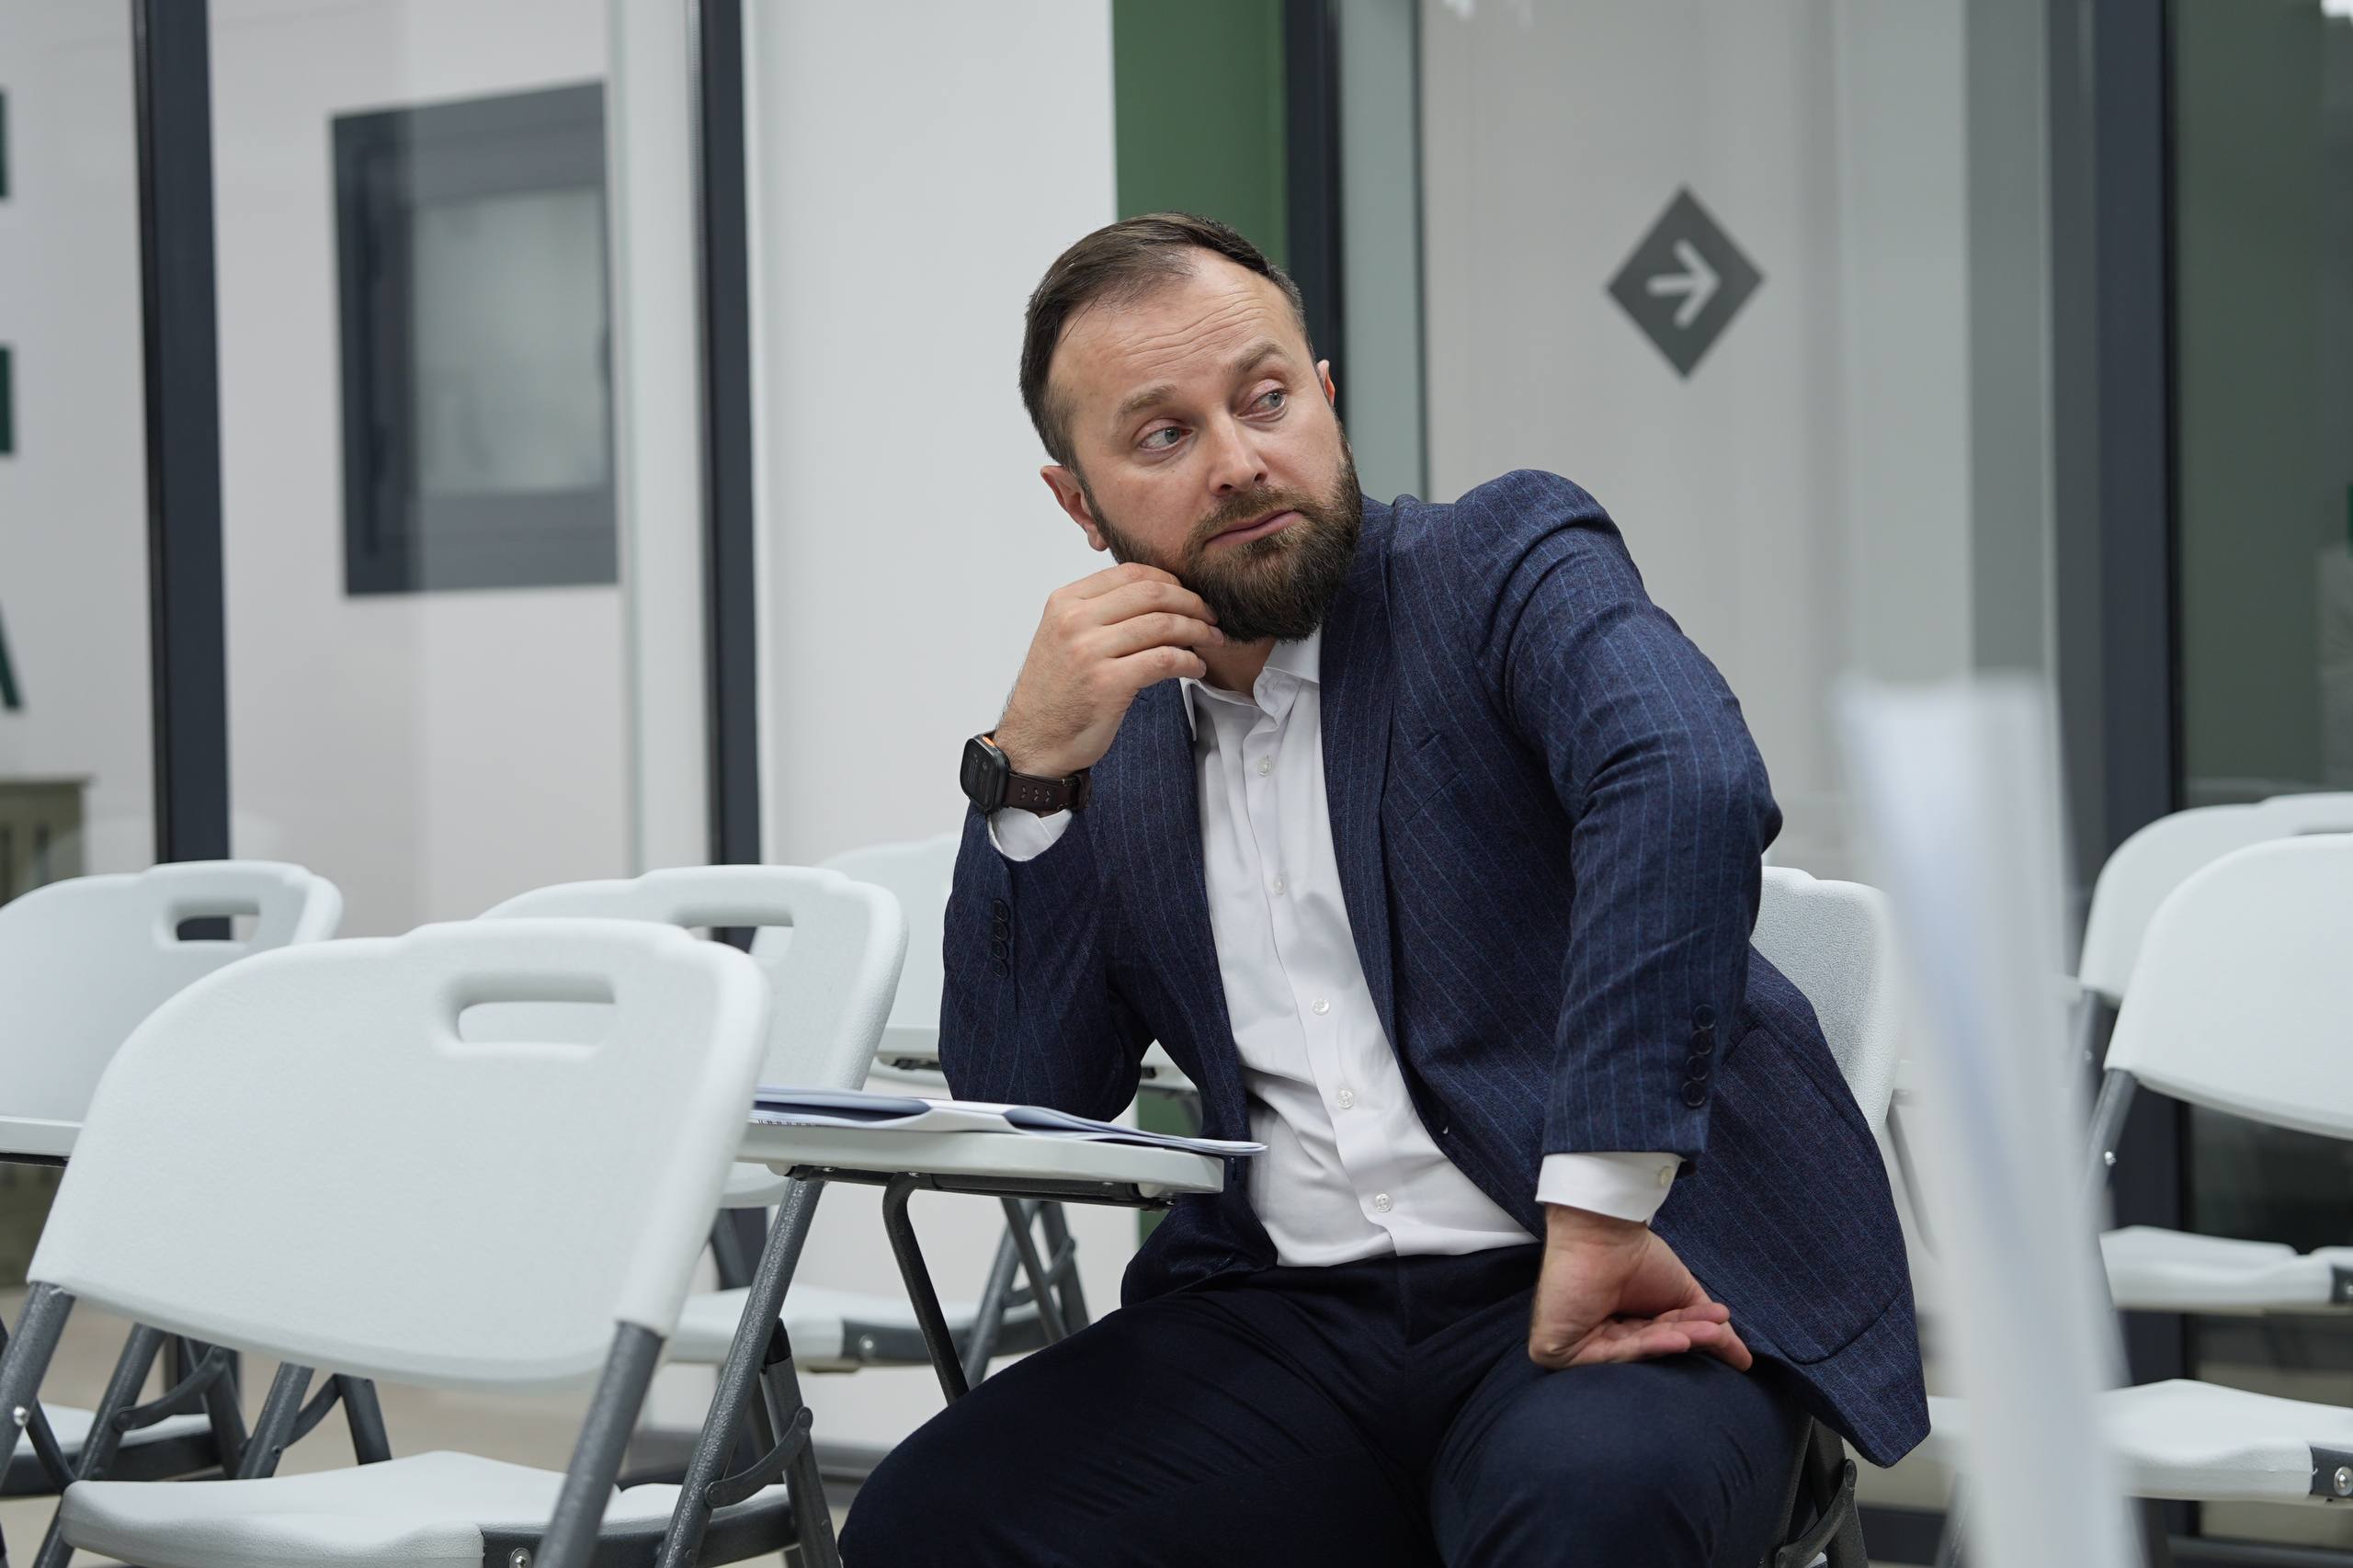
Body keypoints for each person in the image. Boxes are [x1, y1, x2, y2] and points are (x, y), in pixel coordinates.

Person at [841, 213, 1924, 1567]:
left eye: (1265, 399)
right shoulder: (1112, 731)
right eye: (1164, 435)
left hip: (1618, 1280)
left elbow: (1686, 778)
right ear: (1080, 504)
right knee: (929, 1527)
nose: (1240, 460)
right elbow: (1028, 1090)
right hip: (1281, 1321)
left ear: (1325, 396)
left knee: (1588, 1514)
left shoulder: (1497, 565)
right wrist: (1027, 775)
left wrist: (1601, 1203)